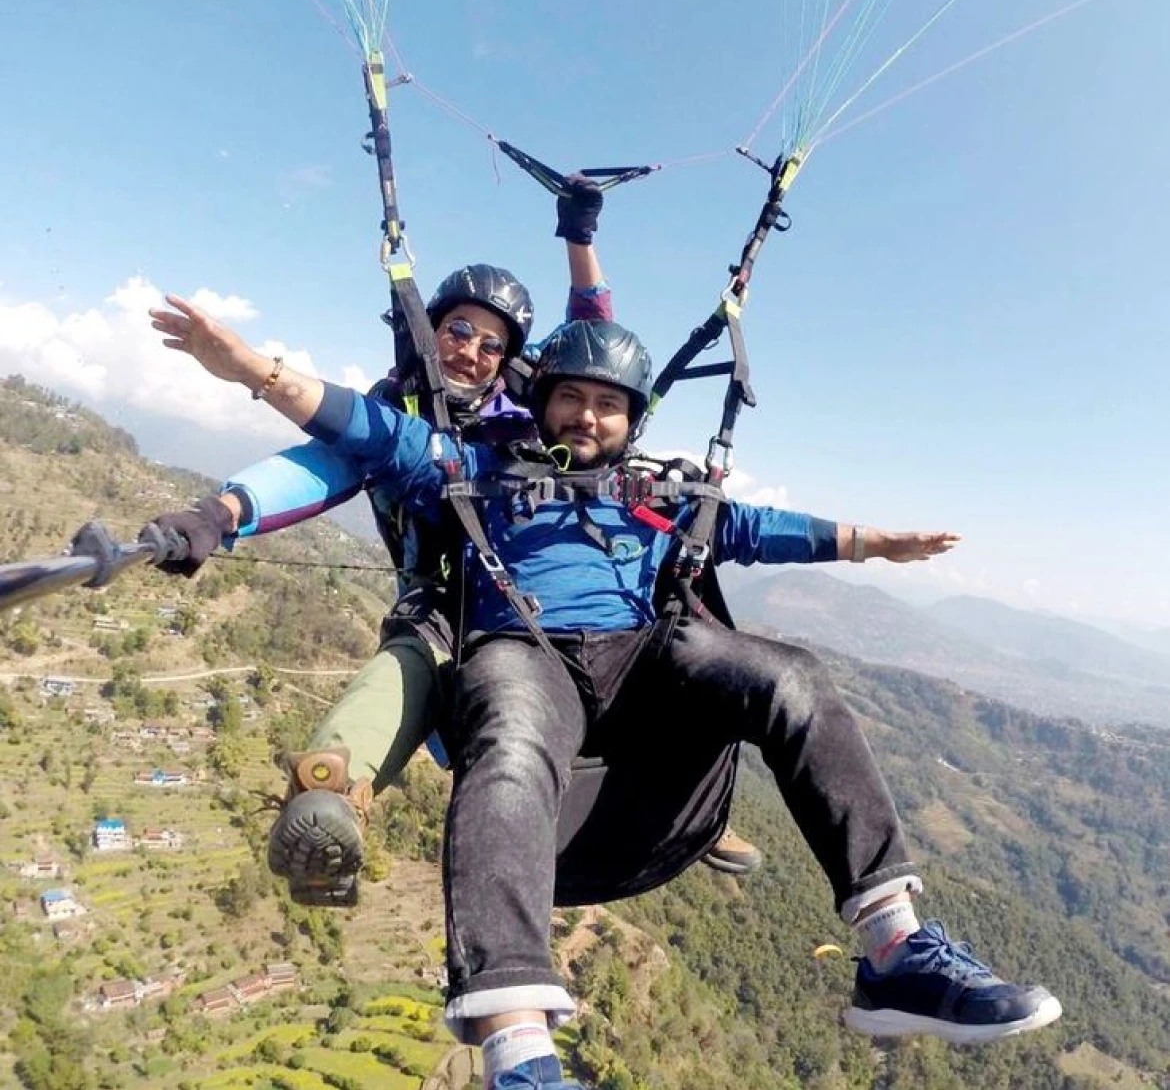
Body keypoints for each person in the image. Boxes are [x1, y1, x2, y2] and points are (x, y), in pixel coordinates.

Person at [146, 304, 1061, 1089]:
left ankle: (894, 950)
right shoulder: (476, 464)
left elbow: (753, 527)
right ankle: (516, 1042)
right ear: (543, 401)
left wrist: (871, 544)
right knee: (504, 742)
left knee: (794, 677)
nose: (588, 416)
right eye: (573, 397)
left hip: (649, 655)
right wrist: (253, 370)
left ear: (630, 420)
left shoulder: (655, 491)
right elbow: (366, 430)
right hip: (523, 647)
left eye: (608, 405)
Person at [149, 180, 760, 903]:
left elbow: (593, 333)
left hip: (560, 591)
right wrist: (219, 512)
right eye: (458, 331)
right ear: (429, 329)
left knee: (678, 601)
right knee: (415, 655)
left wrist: (580, 237)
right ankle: (332, 795)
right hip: (452, 600)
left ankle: (698, 791)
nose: (471, 350)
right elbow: (317, 467)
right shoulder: (389, 417)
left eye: (492, 343)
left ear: (510, 361)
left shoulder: (532, 418)